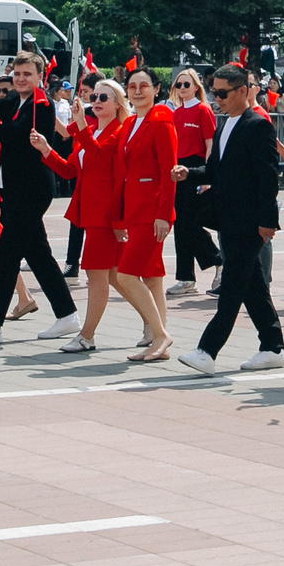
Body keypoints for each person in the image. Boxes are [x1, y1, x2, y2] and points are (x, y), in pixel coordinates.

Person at [37, 77, 165, 353]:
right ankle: (152, 325)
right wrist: (46, 150)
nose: (95, 102)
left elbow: (102, 159)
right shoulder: (92, 130)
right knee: (116, 276)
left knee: (100, 275)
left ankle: (87, 335)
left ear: (118, 103)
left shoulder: (120, 131)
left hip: (107, 214)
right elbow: (71, 170)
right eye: (93, 97)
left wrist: (81, 125)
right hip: (91, 212)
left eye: (103, 98)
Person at [0, 51, 81, 344]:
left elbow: (16, 133)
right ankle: (67, 316)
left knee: (8, 256)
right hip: (14, 189)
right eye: (17, 73)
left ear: (40, 77)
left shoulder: (42, 104)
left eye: (27, 74)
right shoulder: (15, 99)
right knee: (39, 256)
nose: (20, 78)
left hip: (32, 190)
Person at [176, 64, 284, 374]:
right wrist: (189, 173)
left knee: (233, 286)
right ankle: (272, 346)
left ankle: (207, 350)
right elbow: (215, 170)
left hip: (250, 221)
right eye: (214, 92)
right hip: (228, 218)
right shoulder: (224, 125)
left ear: (243, 91)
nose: (217, 98)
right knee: (252, 285)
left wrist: (268, 220)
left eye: (222, 93)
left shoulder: (257, 124)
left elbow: (268, 177)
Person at [112, 68, 178, 360]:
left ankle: (161, 334)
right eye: (132, 86)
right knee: (152, 277)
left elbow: (169, 171)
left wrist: (164, 213)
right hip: (134, 209)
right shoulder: (129, 124)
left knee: (125, 276)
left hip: (152, 211)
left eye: (144, 86)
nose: (137, 91)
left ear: (156, 89)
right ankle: (155, 336)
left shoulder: (161, 120)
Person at [166, 69, 220, 296]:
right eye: (178, 85)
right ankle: (186, 277)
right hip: (179, 169)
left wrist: (208, 177)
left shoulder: (203, 111)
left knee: (188, 222)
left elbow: (210, 145)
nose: (182, 89)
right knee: (180, 224)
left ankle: (218, 259)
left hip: (196, 168)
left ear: (196, 86)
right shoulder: (176, 114)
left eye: (186, 85)